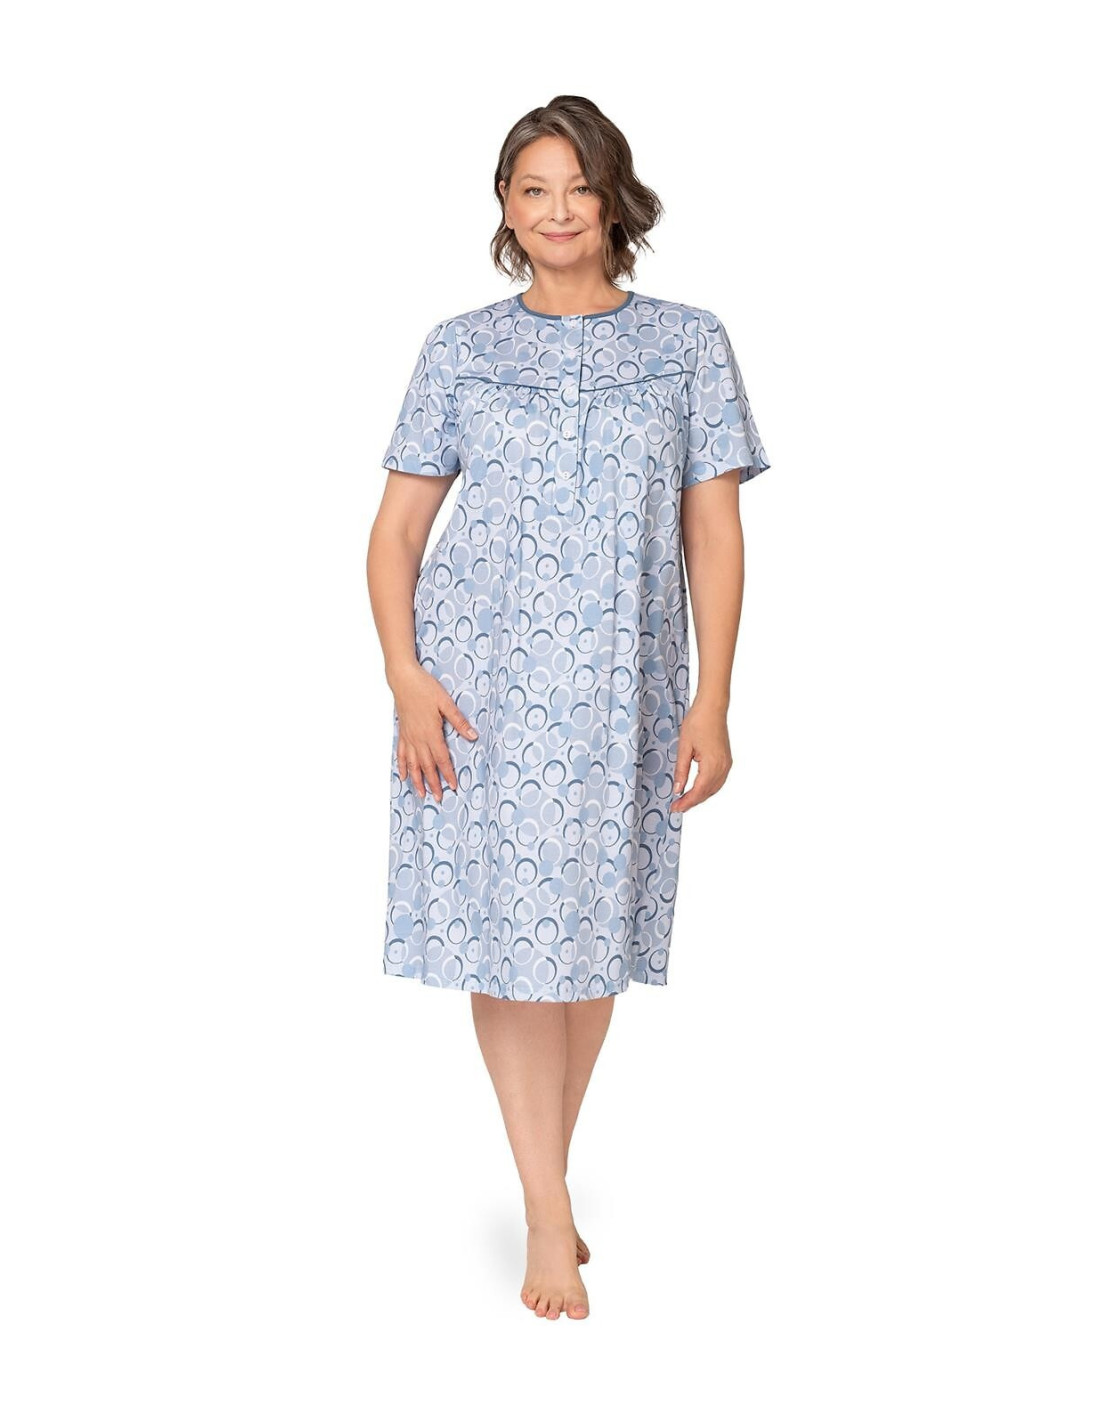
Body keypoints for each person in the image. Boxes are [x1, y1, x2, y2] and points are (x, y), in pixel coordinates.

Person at [366, 95, 771, 1322]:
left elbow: (713, 533)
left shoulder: (687, 344)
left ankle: (543, 1170)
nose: (554, 212)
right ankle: (546, 1205)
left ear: (613, 199)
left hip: (623, 691)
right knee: (505, 938)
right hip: (475, 692)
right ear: (503, 205)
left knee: (589, 938)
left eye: (576, 188)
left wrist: (712, 698)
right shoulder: (460, 349)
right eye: (530, 189)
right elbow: (396, 532)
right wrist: (405, 676)